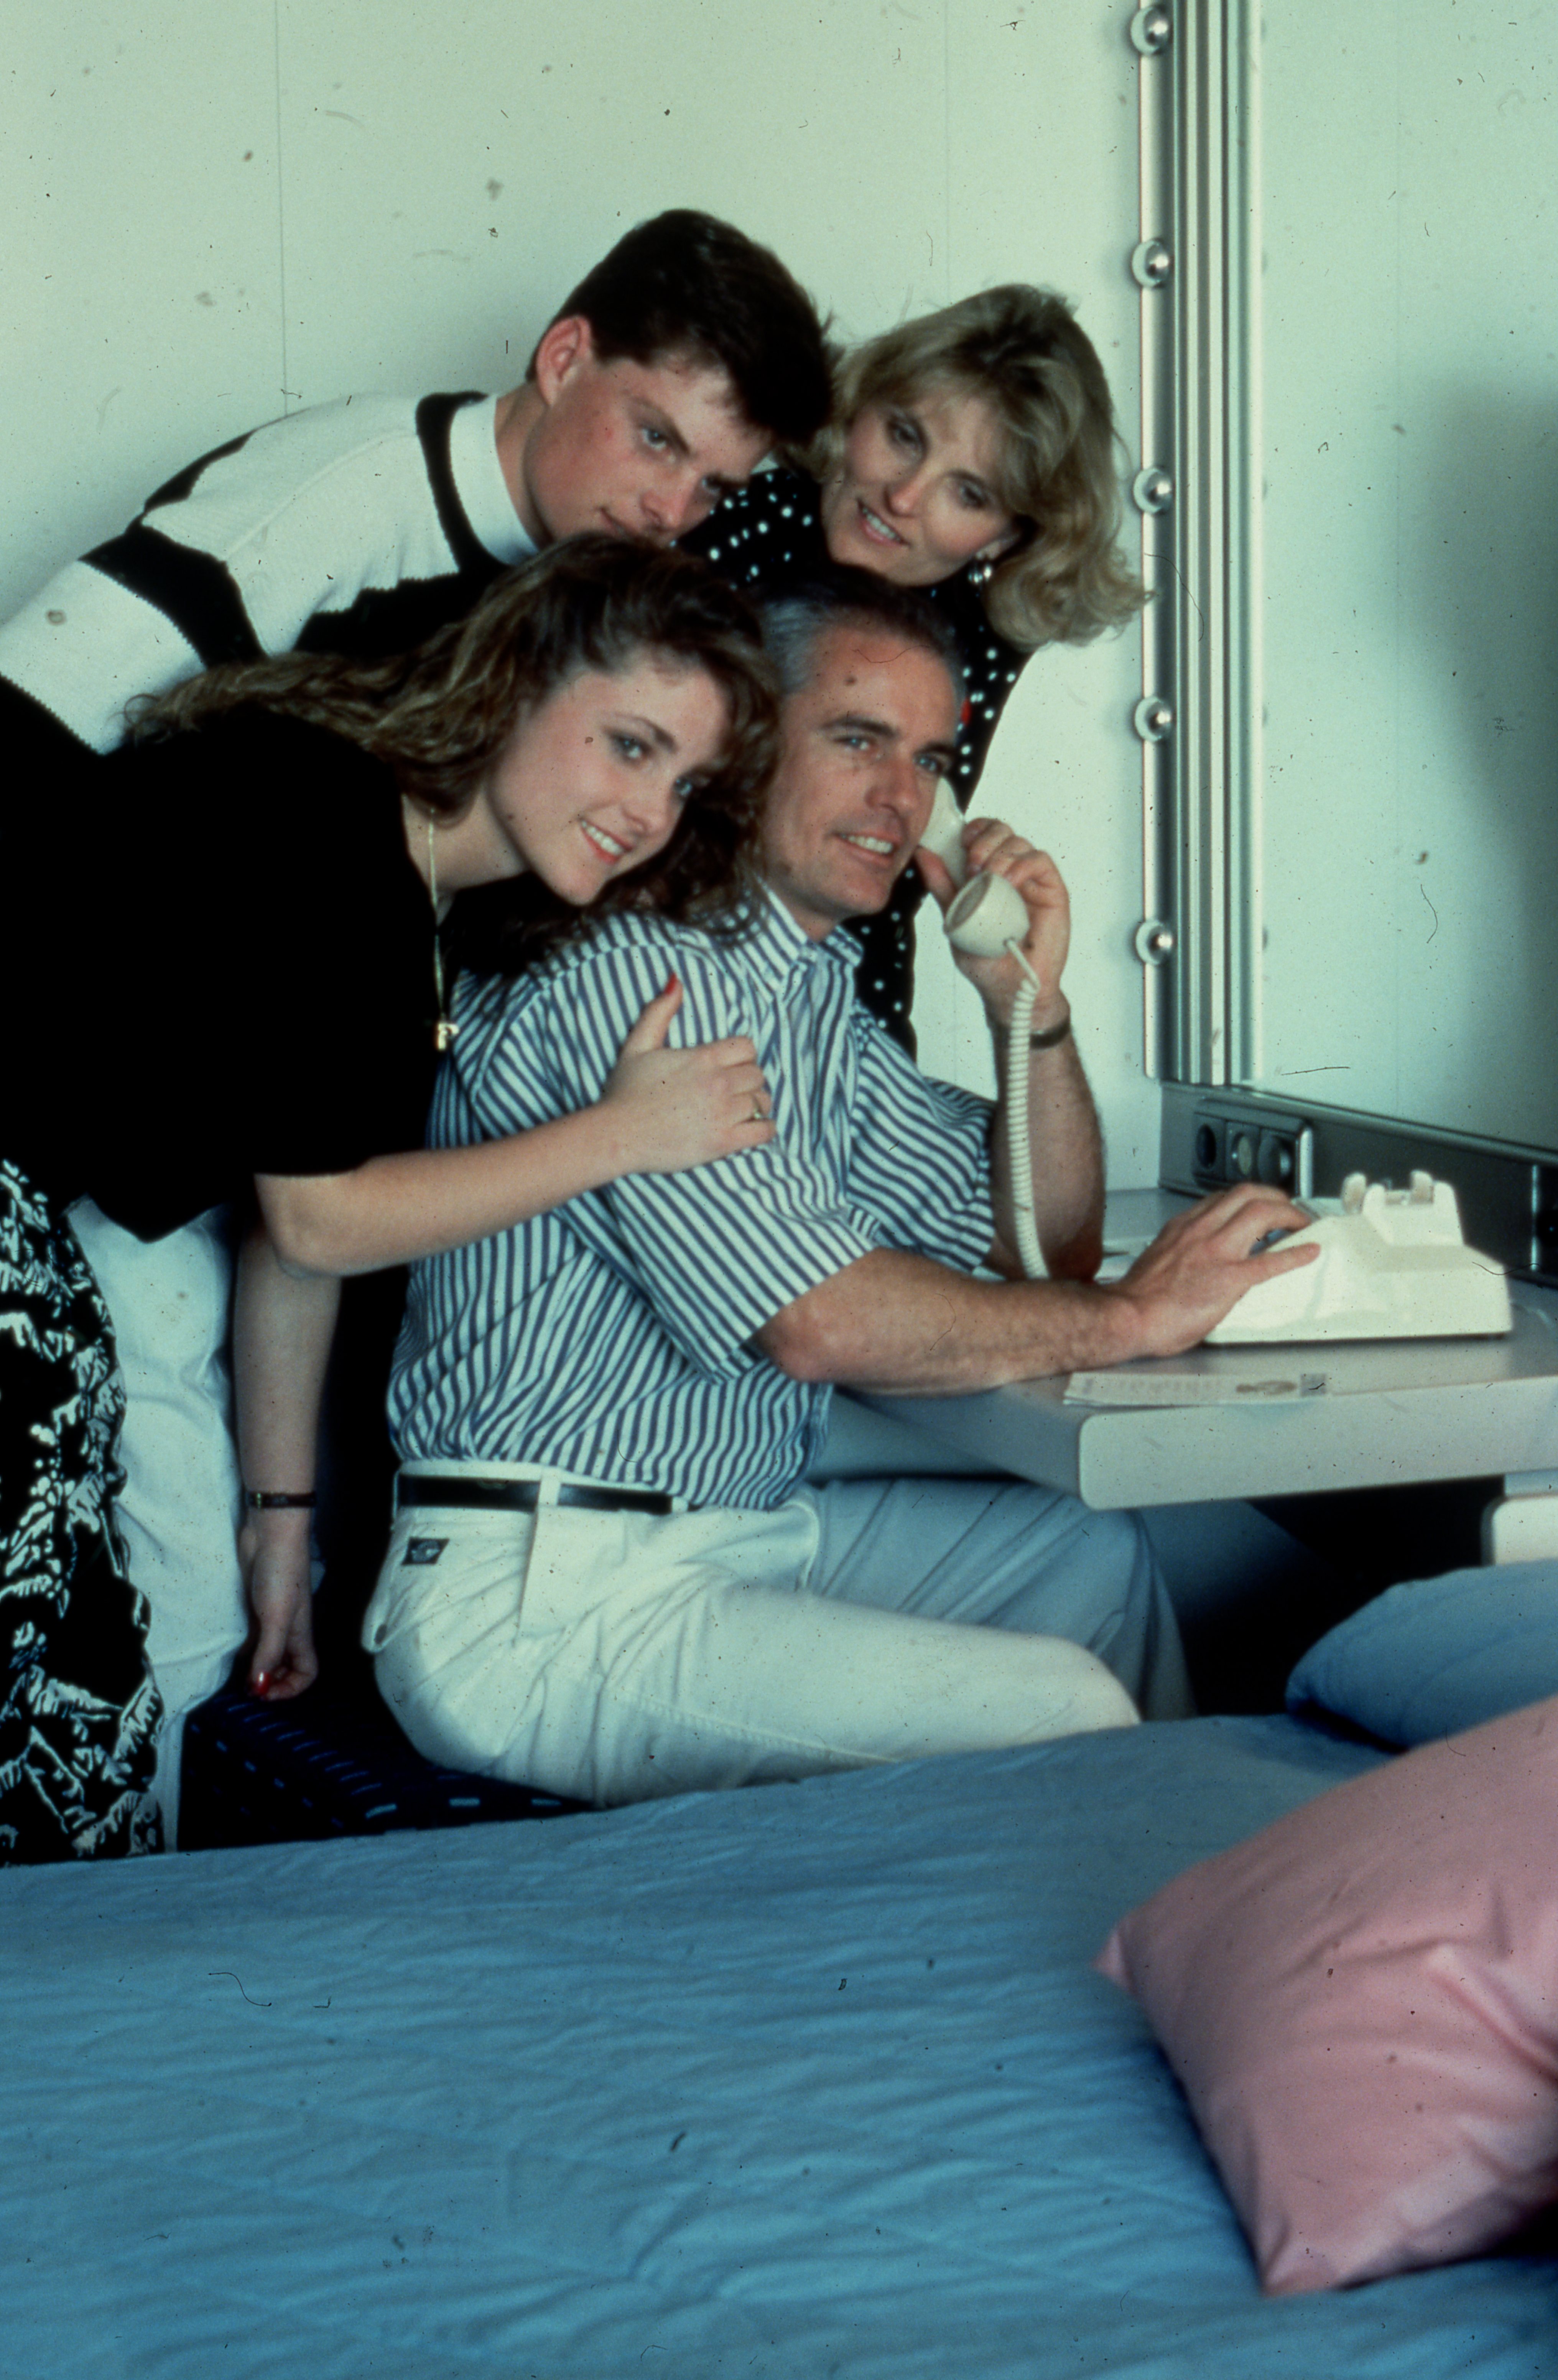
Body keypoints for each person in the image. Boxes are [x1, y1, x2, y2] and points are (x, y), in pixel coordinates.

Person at [0, 208, 831, 1803]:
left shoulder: (422, 872)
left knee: (190, 1607)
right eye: (654, 438)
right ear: (562, 358)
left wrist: (282, 1521)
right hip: (50, 1162)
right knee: (128, 1635)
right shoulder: (325, 542)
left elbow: (299, 1219)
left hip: (159, 1171)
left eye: (711, 485)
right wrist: (623, 1133)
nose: (670, 510)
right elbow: (31, 738)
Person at [362, 571, 1315, 1810]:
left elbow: (1043, 1241)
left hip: (723, 1532)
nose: (901, 798)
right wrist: (1133, 1319)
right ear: (745, 746)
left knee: (1093, 1561)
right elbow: (817, 1323)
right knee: (1057, 1706)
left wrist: (1029, 1009)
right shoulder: (638, 967)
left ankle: (1159, 1915)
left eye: (928, 759)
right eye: (859, 740)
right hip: (540, 1595)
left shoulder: (802, 992)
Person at [683, 284, 1142, 1046]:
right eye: (903, 435)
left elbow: (885, 841)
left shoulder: (978, 627)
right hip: (657, 980)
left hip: (847, 1014)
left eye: (968, 492)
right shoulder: (728, 525)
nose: (903, 496)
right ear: (859, 404)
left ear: (1005, 536)